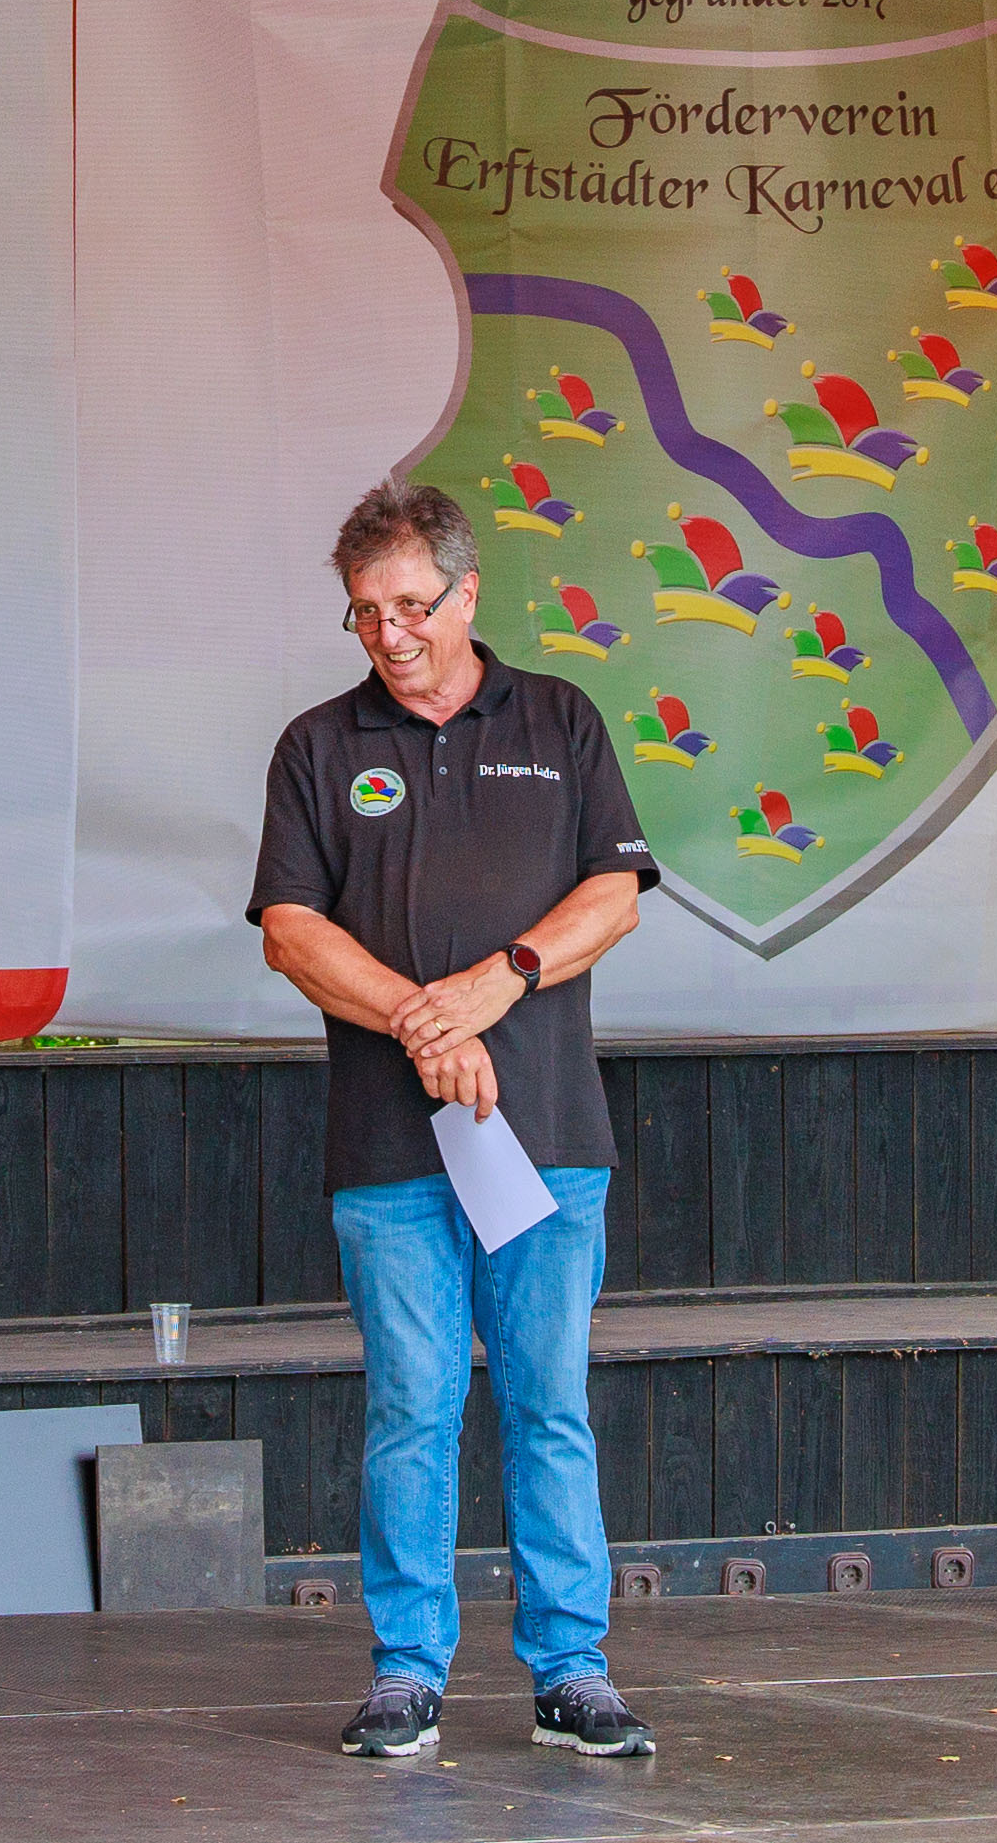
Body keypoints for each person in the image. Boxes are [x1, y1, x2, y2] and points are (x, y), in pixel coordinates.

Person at [248, 481, 659, 1761]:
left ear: (467, 592)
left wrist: (499, 980)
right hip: (387, 1148)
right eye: (365, 613)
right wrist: (422, 1023)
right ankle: (406, 1669)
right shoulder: (318, 745)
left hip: (547, 1138)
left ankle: (571, 1669)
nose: (391, 633)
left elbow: (615, 894)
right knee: (410, 1408)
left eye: (412, 606)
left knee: (547, 1405)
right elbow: (290, 930)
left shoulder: (558, 718)